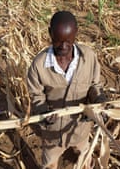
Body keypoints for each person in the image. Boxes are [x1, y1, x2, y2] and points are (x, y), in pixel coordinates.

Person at [26, 10, 106, 169]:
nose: (63, 46)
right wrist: (43, 111)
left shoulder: (88, 57)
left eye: (68, 41)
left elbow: (94, 86)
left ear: (76, 32)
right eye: (58, 41)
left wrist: (99, 100)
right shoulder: (39, 65)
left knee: (84, 162)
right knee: (50, 165)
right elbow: (36, 95)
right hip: (53, 133)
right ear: (50, 34)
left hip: (80, 129)